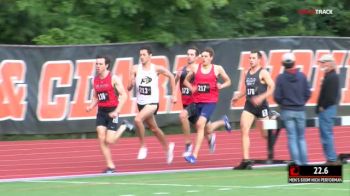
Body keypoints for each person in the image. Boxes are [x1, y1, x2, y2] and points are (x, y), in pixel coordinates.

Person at [175, 46, 232, 157]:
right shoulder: (196, 68)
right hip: (196, 102)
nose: (204, 58)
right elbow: (186, 81)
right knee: (205, 128)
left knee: (202, 126)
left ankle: (194, 154)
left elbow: (229, 81)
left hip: (210, 102)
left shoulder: (217, 68)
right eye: (203, 56)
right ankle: (223, 122)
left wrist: (221, 85)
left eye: (206, 56)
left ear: (211, 58)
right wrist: (192, 88)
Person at [127, 46, 176, 164]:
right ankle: (168, 148)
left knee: (138, 120)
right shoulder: (134, 69)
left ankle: (143, 147)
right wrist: (131, 83)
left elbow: (171, 76)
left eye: (144, 55)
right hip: (141, 103)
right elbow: (128, 88)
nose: (142, 57)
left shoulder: (156, 69)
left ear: (150, 56)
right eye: (140, 55)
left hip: (152, 102)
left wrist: (174, 94)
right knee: (154, 129)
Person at [86, 55, 134, 173]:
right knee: (101, 138)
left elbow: (124, 95)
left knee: (110, 141)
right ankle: (110, 166)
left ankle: (124, 125)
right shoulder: (95, 80)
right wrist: (91, 106)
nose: (97, 66)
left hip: (113, 111)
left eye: (100, 64)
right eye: (96, 64)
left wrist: (117, 111)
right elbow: (96, 96)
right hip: (101, 112)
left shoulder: (114, 78)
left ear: (106, 65)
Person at [231, 50, 275, 170]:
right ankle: (246, 160)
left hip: (262, 107)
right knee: (244, 129)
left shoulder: (263, 73)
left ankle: (272, 117)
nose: (251, 60)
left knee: (265, 135)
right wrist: (238, 96)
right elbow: (246, 89)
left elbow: (272, 86)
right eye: (250, 58)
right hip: (249, 106)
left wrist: (261, 97)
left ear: (259, 59)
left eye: (253, 58)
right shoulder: (247, 72)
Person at [274, 53, 311, 165]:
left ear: (283, 64)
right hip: (300, 110)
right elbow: (308, 93)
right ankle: (305, 163)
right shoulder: (302, 76)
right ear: (294, 63)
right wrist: (301, 102)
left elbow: (277, 96)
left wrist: (284, 104)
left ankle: (297, 164)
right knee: (301, 138)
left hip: (287, 110)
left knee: (292, 138)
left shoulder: (280, 78)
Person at [316, 54, 340, 165]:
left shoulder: (332, 77)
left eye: (323, 62)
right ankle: (330, 158)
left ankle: (331, 159)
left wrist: (322, 107)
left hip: (327, 110)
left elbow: (330, 97)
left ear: (329, 63)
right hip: (327, 109)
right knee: (326, 134)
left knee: (326, 135)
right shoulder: (329, 76)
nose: (321, 64)